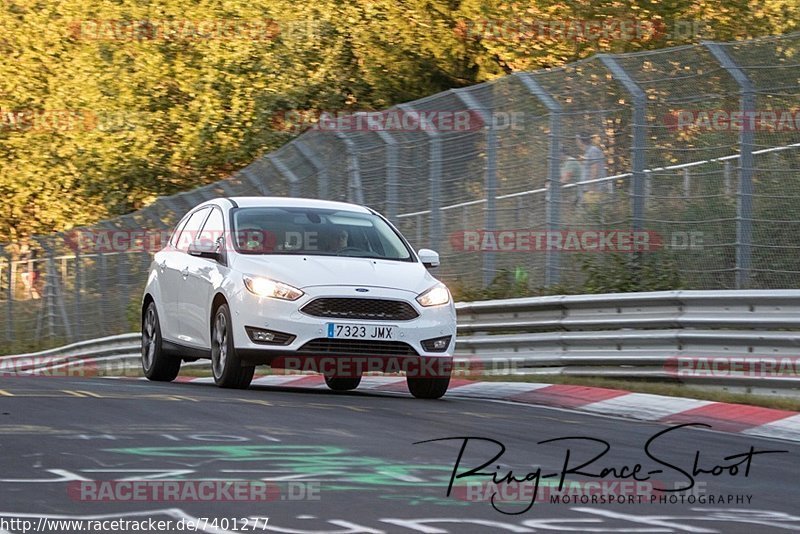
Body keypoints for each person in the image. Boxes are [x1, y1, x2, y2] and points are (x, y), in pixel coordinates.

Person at [576, 132, 608, 203]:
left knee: (592, 211)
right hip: (588, 190)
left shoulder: (593, 150)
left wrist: (591, 187)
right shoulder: (587, 153)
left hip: (593, 190)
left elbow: (594, 169)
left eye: (577, 140)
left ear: (582, 141)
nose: (576, 142)